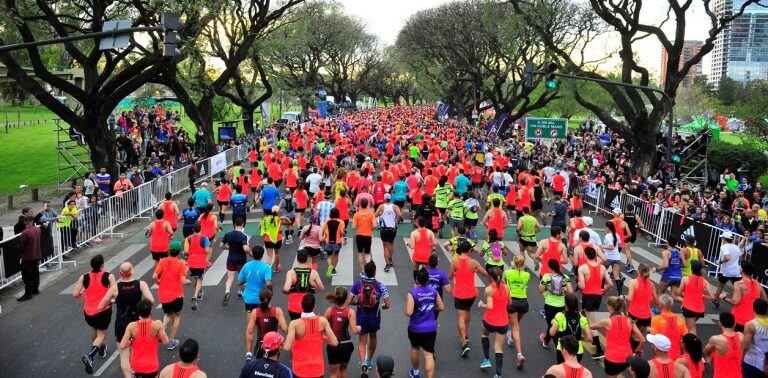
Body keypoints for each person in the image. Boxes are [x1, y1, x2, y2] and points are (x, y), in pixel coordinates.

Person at [98, 261, 154, 378]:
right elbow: (151, 300)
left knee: (124, 355)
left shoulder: (115, 288)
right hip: (137, 323)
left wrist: (112, 301)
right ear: (132, 271)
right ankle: (138, 372)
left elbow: (101, 306)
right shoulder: (141, 284)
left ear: (120, 273)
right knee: (136, 351)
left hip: (121, 323)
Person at [74, 254, 116, 374]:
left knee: (94, 328)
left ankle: (101, 349)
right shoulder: (109, 276)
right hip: (102, 310)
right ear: (102, 265)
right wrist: (112, 300)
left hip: (88, 312)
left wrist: (85, 296)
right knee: (101, 334)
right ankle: (90, 356)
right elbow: (114, 291)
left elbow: (75, 293)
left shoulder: (84, 276)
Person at [349, 261, 391, 374]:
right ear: (375, 272)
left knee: (362, 341)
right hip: (374, 316)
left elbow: (349, 301)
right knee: (373, 337)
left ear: (365, 273)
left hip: (361, 315)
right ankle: (369, 360)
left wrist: (358, 303)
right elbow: (387, 304)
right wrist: (383, 306)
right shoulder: (380, 285)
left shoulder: (358, 284)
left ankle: (363, 363)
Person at [449, 238, 488, 357]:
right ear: (470, 250)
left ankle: (464, 341)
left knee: (460, 316)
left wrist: (455, 273)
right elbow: (485, 273)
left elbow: (450, 276)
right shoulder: (474, 262)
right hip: (471, 294)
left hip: (459, 293)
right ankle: (465, 334)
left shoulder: (454, 262)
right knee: (468, 311)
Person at [284, 294, 339, 378]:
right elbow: (335, 342)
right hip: (317, 370)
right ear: (314, 306)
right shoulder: (322, 321)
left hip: (300, 370)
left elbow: (287, 347)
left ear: (301, 305)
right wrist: (322, 337)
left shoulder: (294, 324)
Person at [590, 296, 645, 378]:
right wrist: (637, 350)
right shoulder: (629, 321)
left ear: (610, 307)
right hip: (627, 358)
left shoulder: (606, 321)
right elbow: (642, 340)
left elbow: (592, 327)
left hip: (612, 359)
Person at [406, 269, 444, 378]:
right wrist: (431, 308)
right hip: (430, 328)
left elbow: (409, 312)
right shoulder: (434, 291)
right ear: (428, 280)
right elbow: (441, 307)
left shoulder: (412, 293)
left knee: (415, 348)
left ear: (417, 280)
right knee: (429, 355)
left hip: (415, 328)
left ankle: (416, 373)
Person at [152, 241, 190, 351]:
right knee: (177, 316)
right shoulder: (180, 264)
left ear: (169, 250)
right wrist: (188, 281)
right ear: (179, 251)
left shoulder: (162, 261)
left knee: (168, 313)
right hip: (176, 295)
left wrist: (160, 283)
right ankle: (170, 341)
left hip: (163, 295)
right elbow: (183, 281)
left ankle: (162, 327)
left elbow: (154, 276)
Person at [119, 299, 170, 378]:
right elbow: (166, 342)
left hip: (136, 366)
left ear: (139, 312)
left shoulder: (131, 326)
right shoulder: (157, 324)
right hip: (152, 365)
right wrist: (158, 337)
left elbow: (122, 346)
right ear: (150, 311)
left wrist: (131, 341)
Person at [578, 246, 611, 358]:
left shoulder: (582, 268)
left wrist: (579, 285)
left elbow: (582, 285)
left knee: (592, 322)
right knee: (588, 315)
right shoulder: (602, 267)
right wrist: (602, 290)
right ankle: (588, 334)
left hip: (588, 295)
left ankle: (599, 349)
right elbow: (610, 283)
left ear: (586, 255)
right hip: (598, 296)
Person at [478, 267, 509, 377]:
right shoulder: (506, 287)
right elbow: (509, 303)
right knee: (498, 348)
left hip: (489, 321)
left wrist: (482, 305)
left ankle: (486, 359)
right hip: (503, 322)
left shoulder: (489, 289)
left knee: (484, 334)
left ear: (490, 277)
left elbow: (490, 306)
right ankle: (498, 374)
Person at [324, 286, 361, 378]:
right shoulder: (350, 312)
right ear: (345, 298)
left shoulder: (329, 311)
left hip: (333, 345)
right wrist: (359, 327)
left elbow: (322, 327)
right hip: (346, 345)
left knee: (333, 374)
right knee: (343, 370)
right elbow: (354, 331)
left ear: (335, 296)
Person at [503, 254, 530, 369]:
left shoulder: (508, 273)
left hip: (512, 302)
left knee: (515, 328)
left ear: (513, 263)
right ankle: (511, 338)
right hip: (524, 303)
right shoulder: (527, 275)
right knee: (516, 324)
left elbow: (505, 283)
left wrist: (511, 268)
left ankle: (519, 354)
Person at [539, 259, 573, 348]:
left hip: (549, 304)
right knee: (555, 324)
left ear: (550, 267)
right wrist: (564, 291)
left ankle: (559, 347)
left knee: (551, 325)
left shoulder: (547, 276)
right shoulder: (565, 277)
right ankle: (546, 341)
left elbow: (541, 289)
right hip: (561, 305)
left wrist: (546, 295)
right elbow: (570, 292)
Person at [245, 288, 287, 360]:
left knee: (259, 367)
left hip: (261, 346)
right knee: (272, 368)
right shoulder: (277, 311)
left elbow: (250, 332)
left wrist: (248, 353)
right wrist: (278, 324)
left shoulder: (255, 312)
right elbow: (284, 328)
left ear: (259, 298)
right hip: (273, 345)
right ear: (271, 298)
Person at [549, 293, 592, 363]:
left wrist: (553, 323)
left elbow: (552, 333)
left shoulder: (560, 316)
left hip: (563, 350)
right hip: (578, 352)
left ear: (566, 304)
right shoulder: (582, 318)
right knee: (573, 371)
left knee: (562, 370)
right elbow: (589, 338)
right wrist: (580, 339)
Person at [724, 260, 766, 332]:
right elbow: (765, 301)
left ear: (741, 270)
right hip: (753, 322)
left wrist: (724, 297)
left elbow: (736, 302)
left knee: (735, 341)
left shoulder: (738, 284)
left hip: (738, 320)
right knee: (747, 342)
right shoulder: (758, 284)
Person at [283, 248, 324, 320]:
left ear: (297, 259)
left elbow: (286, 289)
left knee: (295, 327)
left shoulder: (291, 273)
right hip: (308, 307)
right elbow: (321, 288)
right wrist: (313, 284)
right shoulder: (313, 273)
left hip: (293, 307)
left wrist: (290, 292)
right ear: (307, 259)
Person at [677, 260, 714, 336]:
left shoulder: (685, 279)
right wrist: (703, 297)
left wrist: (687, 296)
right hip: (700, 310)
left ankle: (693, 345)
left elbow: (679, 293)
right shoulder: (705, 281)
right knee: (689, 326)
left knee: (691, 329)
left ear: (691, 268)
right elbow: (712, 296)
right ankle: (685, 341)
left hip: (689, 308)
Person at [220, 217, 251, 306]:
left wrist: (228, 248)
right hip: (241, 260)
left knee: (230, 278)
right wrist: (250, 253)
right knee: (241, 277)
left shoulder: (228, 234)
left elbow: (221, 245)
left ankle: (227, 291)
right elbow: (245, 248)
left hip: (230, 259)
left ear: (234, 225)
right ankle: (240, 291)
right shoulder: (243, 236)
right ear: (242, 225)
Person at [649, 294, 688, 360]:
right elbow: (686, 337)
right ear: (671, 306)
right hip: (677, 356)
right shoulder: (680, 320)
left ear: (661, 305)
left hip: (662, 356)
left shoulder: (656, 320)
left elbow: (653, 343)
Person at [626, 264, 659, 342]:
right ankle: (635, 350)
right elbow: (656, 300)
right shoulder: (651, 285)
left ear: (638, 271)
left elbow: (629, 298)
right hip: (646, 316)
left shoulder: (633, 282)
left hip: (633, 314)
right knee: (638, 336)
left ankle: (629, 350)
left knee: (629, 334)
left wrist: (623, 297)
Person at [704, 311, 743, 377]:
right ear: (735, 324)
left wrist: (710, 355)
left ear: (720, 323)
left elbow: (705, 351)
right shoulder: (741, 336)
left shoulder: (716, 339)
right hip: (738, 375)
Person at [238, 245, 273, 314]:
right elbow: (268, 283)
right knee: (262, 320)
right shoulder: (266, 267)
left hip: (249, 298)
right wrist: (271, 292)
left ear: (252, 254)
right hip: (262, 298)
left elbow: (239, 282)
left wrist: (247, 279)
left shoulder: (246, 266)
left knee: (250, 321)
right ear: (262, 255)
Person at [712, 231, 742, 309]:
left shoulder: (724, 247)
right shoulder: (736, 247)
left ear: (724, 238)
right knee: (738, 288)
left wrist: (720, 262)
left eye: (722, 237)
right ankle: (740, 304)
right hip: (736, 271)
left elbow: (727, 257)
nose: (722, 239)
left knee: (720, 286)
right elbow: (741, 256)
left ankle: (716, 302)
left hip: (726, 271)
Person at [184, 223, 211, 311]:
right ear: (201, 228)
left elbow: (185, 252)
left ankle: (199, 292)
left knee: (195, 277)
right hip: (200, 262)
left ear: (193, 229)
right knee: (199, 279)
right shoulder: (204, 238)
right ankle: (195, 295)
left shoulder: (188, 238)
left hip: (191, 262)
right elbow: (207, 251)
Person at [374, 193, 401, 272]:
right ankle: (390, 259)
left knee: (385, 246)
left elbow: (375, 215)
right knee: (391, 243)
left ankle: (387, 264)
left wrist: (380, 214)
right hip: (393, 229)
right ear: (390, 199)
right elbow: (399, 214)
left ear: (384, 199)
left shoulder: (381, 206)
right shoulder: (395, 206)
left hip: (384, 229)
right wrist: (396, 220)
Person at [742, 298, 768, 377]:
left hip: (752, 363)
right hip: (766, 364)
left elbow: (745, 347)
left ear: (753, 308)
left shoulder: (750, 325)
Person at [17, 216, 41, 301]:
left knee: (27, 276)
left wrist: (19, 247)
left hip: (28, 257)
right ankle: (35, 289)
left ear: (24, 222)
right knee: (35, 273)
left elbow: (21, 246)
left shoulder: (25, 233)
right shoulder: (37, 229)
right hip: (36, 255)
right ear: (32, 221)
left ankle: (28, 293)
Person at [352, 198, 376, 271]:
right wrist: (371, 229)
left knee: (360, 253)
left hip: (359, 235)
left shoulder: (357, 214)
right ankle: (368, 271)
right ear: (367, 204)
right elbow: (375, 225)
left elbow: (353, 227)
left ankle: (362, 271)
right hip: (368, 236)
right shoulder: (371, 214)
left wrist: (357, 226)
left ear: (360, 205)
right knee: (367, 254)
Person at [261, 205, 286, 272]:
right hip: (277, 238)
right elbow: (288, 222)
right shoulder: (279, 219)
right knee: (277, 253)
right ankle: (276, 268)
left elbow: (260, 226)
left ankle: (267, 271)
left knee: (269, 256)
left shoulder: (265, 218)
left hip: (268, 238)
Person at [322, 208, 346, 278]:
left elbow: (323, 230)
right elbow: (342, 232)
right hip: (337, 241)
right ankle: (333, 269)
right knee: (336, 255)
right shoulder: (341, 222)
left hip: (328, 241)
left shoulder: (327, 221)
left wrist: (322, 237)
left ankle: (330, 266)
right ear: (338, 214)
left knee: (329, 256)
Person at [426, 254, 450, 320]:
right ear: (437, 264)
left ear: (428, 263)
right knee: (434, 318)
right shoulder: (442, 274)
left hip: (424, 298)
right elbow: (448, 290)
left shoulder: (424, 272)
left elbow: (416, 287)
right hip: (436, 300)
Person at [603, 220, 625, 295]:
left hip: (608, 257)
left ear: (608, 228)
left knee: (602, 272)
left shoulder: (607, 236)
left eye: (605, 227)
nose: (605, 228)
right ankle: (620, 294)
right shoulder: (617, 235)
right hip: (616, 258)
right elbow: (619, 246)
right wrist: (616, 253)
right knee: (616, 276)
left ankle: (601, 289)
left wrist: (602, 247)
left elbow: (611, 247)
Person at [610, 208, 635, 273]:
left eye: (613, 212)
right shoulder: (624, 223)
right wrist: (623, 237)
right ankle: (615, 273)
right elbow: (629, 234)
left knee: (611, 259)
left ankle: (617, 274)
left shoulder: (611, 222)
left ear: (614, 213)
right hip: (620, 244)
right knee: (614, 258)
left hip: (612, 243)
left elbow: (607, 233)